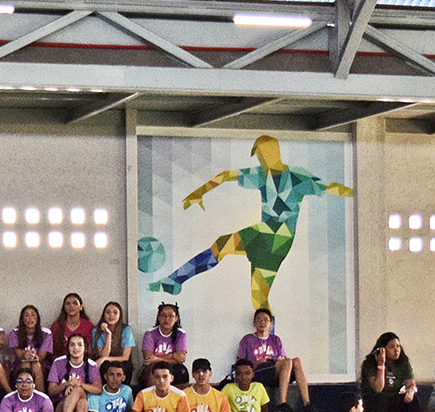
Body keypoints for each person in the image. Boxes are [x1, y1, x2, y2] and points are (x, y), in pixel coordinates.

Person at [147, 133, 351, 314]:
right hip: (271, 243)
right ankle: (271, 340)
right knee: (259, 299)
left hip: (278, 233)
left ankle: (175, 281)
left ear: (274, 153)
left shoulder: (296, 176)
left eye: (262, 155)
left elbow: (328, 186)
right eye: (259, 157)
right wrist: (199, 193)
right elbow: (226, 175)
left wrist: (356, 192)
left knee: (223, 244)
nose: (261, 161)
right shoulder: (261, 176)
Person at [361, 332, 433, 412]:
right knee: (381, 397)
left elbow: (411, 383)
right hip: (374, 405)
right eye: (391, 347)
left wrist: (411, 390)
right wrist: (381, 364)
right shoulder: (370, 363)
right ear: (382, 349)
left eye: (398, 346)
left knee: (414, 399)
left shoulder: (403, 361)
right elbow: (378, 388)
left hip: (393, 403)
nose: (396, 350)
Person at [236, 309, 310, 412]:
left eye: (265, 320)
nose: (262, 322)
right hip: (258, 371)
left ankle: (307, 404)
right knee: (287, 362)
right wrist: (257, 363)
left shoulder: (275, 339)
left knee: (296, 361)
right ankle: (282, 404)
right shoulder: (247, 339)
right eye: (259, 320)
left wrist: (280, 360)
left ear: (271, 323)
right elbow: (240, 362)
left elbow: (283, 358)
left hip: (275, 371)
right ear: (254, 323)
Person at [47, 332, 102, 412]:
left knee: (81, 399)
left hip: (82, 410)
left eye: (79, 345)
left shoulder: (91, 365)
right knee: (79, 394)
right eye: (72, 345)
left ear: (85, 348)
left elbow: (98, 389)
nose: (76, 348)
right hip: (61, 407)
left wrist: (79, 385)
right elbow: (51, 391)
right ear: (68, 347)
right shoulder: (58, 362)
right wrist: (67, 384)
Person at [139, 302, 189, 388]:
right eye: (163, 315)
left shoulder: (181, 334)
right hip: (154, 366)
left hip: (172, 366)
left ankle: (180, 396)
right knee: (153, 372)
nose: (167, 319)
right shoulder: (150, 333)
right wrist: (173, 355)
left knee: (182, 371)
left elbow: (180, 359)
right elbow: (148, 359)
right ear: (158, 317)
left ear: (176, 318)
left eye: (171, 316)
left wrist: (157, 358)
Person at [10, 304, 54, 389]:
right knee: (25, 363)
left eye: (33, 315)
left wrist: (34, 356)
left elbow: (41, 357)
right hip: (20, 366)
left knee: (36, 364)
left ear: (38, 318)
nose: (30, 318)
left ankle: (40, 395)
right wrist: (25, 354)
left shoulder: (46, 333)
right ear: (22, 319)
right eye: (26, 315)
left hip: (41, 366)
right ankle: (24, 393)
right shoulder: (15, 333)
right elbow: (20, 357)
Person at [90, 300, 135, 376]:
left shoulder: (126, 330)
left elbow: (125, 357)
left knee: (126, 366)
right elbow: (103, 355)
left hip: (121, 362)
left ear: (120, 315)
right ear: (104, 315)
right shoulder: (96, 330)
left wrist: (106, 358)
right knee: (103, 365)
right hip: (105, 363)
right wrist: (108, 334)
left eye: (115, 312)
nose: (111, 315)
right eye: (108, 312)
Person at [49, 291, 94, 362]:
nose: (71, 306)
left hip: (82, 363)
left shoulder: (88, 326)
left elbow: (91, 350)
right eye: (68, 304)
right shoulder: (56, 326)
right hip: (61, 363)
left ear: (81, 307)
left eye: (75, 303)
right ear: (64, 307)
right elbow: (51, 350)